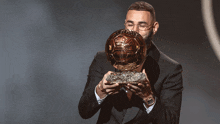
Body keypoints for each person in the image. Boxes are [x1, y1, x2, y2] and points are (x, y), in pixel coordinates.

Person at [78, 1, 183, 124]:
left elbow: (171, 122)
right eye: (130, 24)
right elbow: (84, 111)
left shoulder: (170, 69)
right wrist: (101, 91)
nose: (135, 31)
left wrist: (148, 97)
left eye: (142, 25)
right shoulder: (103, 59)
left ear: (154, 28)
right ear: (125, 25)